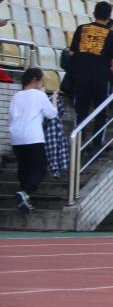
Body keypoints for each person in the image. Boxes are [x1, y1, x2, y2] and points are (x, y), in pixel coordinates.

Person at [68, 1, 113, 153]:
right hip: (101, 79)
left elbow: (72, 52)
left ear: (94, 13)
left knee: (81, 112)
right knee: (101, 112)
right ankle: (97, 143)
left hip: (81, 77)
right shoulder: (111, 35)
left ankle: (79, 142)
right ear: (109, 17)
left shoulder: (81, 29)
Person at [8, 67, 59, 211]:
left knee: (24, 169)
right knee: (40, 168)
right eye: (42, 80)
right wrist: (54, 100)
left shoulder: (16, 96)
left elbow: (11, 118)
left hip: (16, 137)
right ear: (35, 80)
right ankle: (25, 193)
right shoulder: (39, 95)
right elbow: (51, 114)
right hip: (33, 136)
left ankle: (24, 199)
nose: (43, 84)